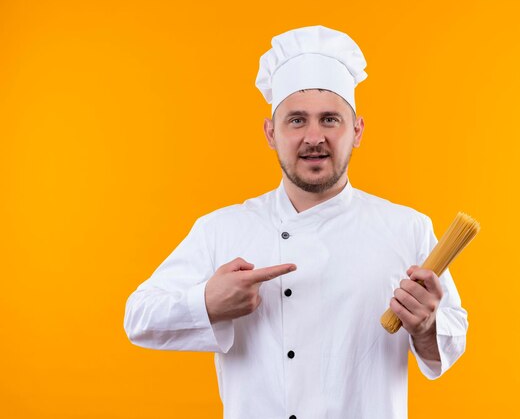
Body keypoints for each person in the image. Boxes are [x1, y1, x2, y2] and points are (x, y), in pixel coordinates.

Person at [124, 25, 468, 419]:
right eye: (297, 120)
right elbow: (139, 317)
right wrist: (207, 302)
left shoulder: (408, 229)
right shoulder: (221, 229)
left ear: (357, 131)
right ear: (271, 133)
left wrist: (426, 327)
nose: (314, 137)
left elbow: (450, 347)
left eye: (330, 120)